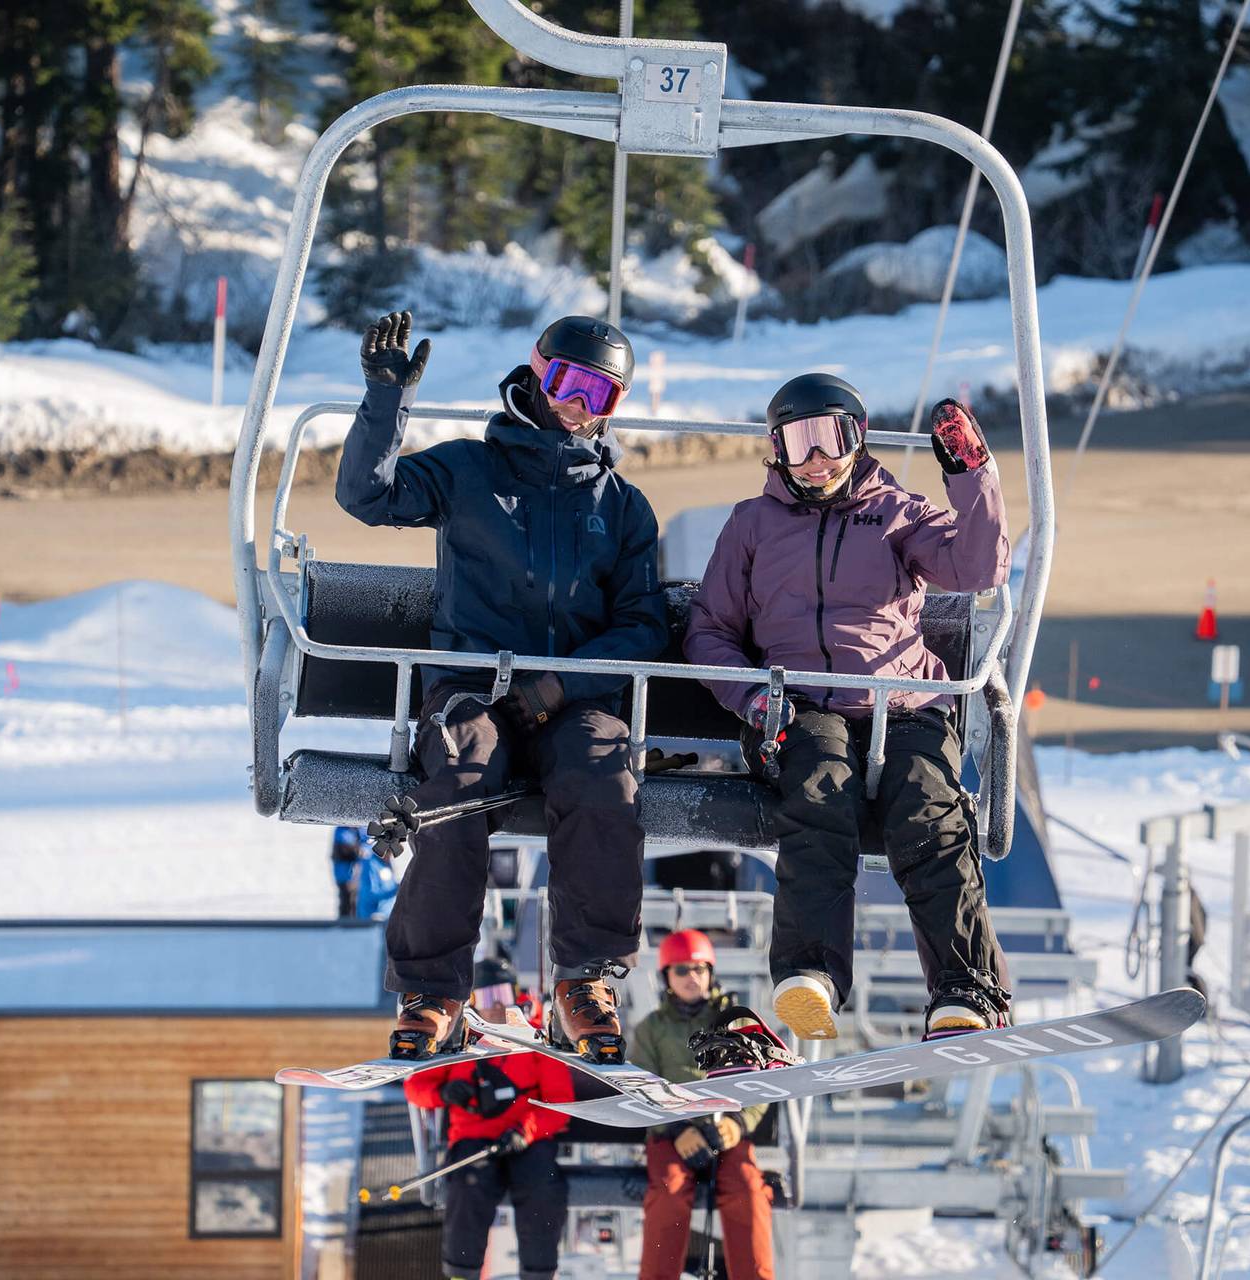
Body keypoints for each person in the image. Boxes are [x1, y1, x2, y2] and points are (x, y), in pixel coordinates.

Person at [337, 311, 666, 1062]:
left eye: (600, 394)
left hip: (575, 701)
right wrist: (386, 401)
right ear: (537, 373)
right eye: (568, 383)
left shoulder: (621, 507)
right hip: (470, 689)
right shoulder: (467, 471)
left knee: (603, 778)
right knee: (458, 779)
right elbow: (367, 495)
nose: (578, 405)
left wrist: (562, 684)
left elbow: (643, 625)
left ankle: (584, 979)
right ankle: (432, 989)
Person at [685, 376, 1013, 1040]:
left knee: (928, 808)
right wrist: (753, 695)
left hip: (904, 702)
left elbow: (977, 569)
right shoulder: (752, 525)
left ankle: (965, 989)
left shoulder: (896, 512)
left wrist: (972, 477)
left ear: (857, 439)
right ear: (776, 449)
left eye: (830, 439)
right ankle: (810, 973)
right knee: (818, 796)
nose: (815, 459)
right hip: (800, 705)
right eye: (798, 442)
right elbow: (709, 630)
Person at [404, 958, 575, 1280]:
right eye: (486, 996)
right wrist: (444, 1093)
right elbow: (416, 1088)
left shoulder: (536, 1040)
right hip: (474, 1139)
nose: (496, 1004)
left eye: (502, 994)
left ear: (515, 995)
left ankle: (538, 1273)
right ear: (472, 1002)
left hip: (525, 1139)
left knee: (542, 1187)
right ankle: (461, 1273)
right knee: (468, 1187)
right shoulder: (456, 1040)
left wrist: (526, 1131)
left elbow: (560, 1101)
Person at [631, 930, 774, 1280]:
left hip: (724, 1128)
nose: (691, 977)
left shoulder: (735, 1022)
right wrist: (676, 1129)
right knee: (669, 1192)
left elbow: (761, 1081)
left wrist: (736, 1125)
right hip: (672, 1134)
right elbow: (639, 1085)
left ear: (710, 973)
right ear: (667, 976)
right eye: (681, 970)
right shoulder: (652, 1028)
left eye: (699, 969)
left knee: (747, 1190)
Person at [330, 825, 397, 920]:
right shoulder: (342, 830)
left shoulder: (364, 828)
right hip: (346, 874)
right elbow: (347, 848)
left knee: (359, 902)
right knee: (347, 902)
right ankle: (345, 925)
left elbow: (370, 844)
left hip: (362, 874)